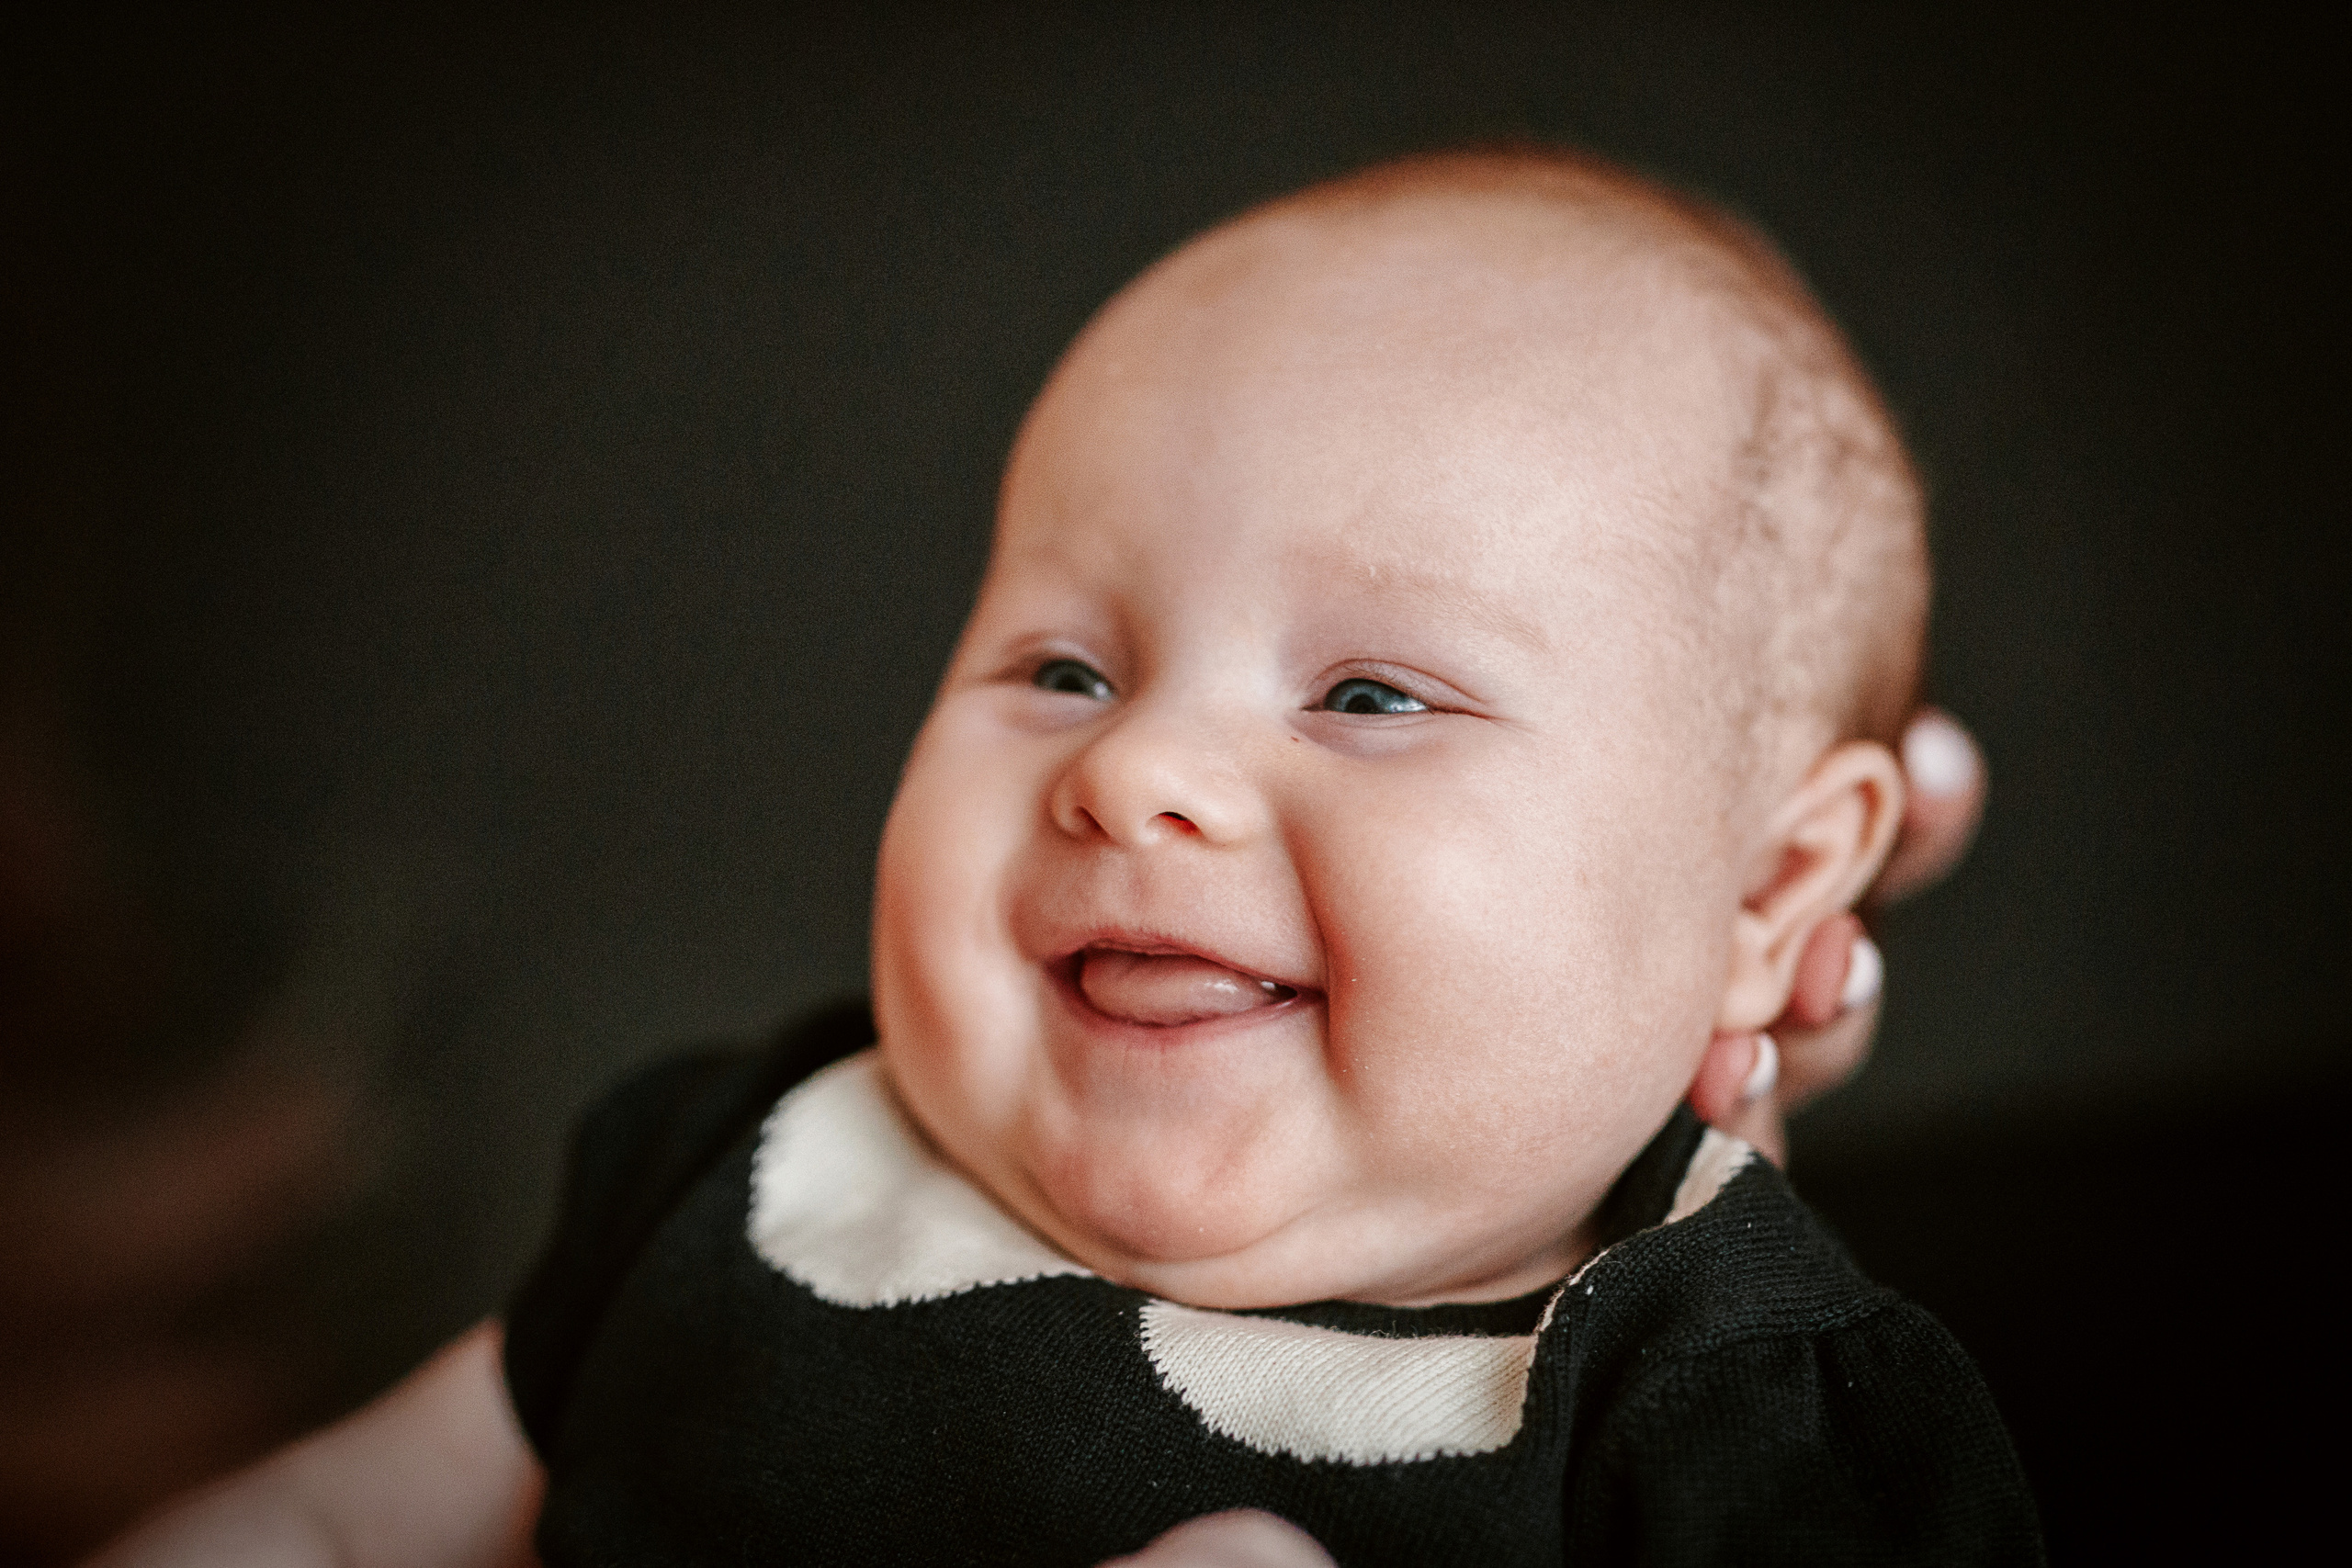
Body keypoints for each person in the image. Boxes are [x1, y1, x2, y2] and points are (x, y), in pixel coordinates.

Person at [88, 149, 2019, 1566]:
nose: (1140, 763)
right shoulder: (758, 1180)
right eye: (1063, 663)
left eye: (1368, 693)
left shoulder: (1718, 1408)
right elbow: (341, 1520)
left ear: (1769, 894)